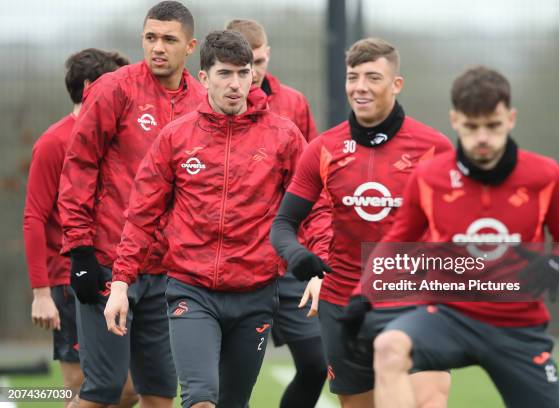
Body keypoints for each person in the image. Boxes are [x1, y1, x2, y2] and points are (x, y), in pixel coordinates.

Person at [104, 30, 327, 408]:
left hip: (255, 294)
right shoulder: (175, 138)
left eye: (243, 73)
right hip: (191, 291)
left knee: (231, 403)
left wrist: (321, 269)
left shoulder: (284, 137)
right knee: (201, 399)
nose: (236, 84)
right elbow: (142, 216)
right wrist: (122, 282)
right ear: (204, 77)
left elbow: (317, 206)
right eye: (225, 74)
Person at [369, 66, 559, 408]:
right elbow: (396, 240)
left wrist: (558, 263)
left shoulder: (546, 175)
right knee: (388, 347)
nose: (482, 138)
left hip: (518, 327)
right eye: (472, 127)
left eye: (493, 126)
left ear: (511, 118)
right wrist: (361, 294)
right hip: (447, 316)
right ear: (455, 120)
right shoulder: (429, 176)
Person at [270, 38, 453, 408]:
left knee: (427, 401)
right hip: (343, 305)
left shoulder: (435, 149)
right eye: (353, 77)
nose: (360, 87)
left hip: (414, 302)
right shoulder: (323, 148)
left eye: (373, 77)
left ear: (396, 84)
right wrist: (296, 254)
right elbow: (283, 224)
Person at [57, 2, 203, 407]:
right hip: (107, 259)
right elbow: (79, 168)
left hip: (168, 271)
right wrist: (80, 249)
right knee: (103, 389)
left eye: (169, 39)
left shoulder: (202, 103)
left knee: (158, 392)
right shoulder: (113, 89)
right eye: (151, 37)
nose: (158, 47)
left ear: (189, 46)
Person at [23, 48, 134, 408]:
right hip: (70, 279)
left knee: (130, 388)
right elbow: (34, 217)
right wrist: (41, 291)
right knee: (83, 387)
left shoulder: (119, 136)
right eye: (113, 82)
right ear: (89, 87)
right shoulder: (54, 142)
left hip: (117, 272)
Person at [225, 18, 327, 408]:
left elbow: (315, 179)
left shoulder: (294, 103)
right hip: (233, 264)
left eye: (258, 61)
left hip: (287, 260)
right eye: (243, 63)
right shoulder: (207, 102)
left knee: (317, 363)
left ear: (267, 56)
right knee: (229, 381)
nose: (253, 72)